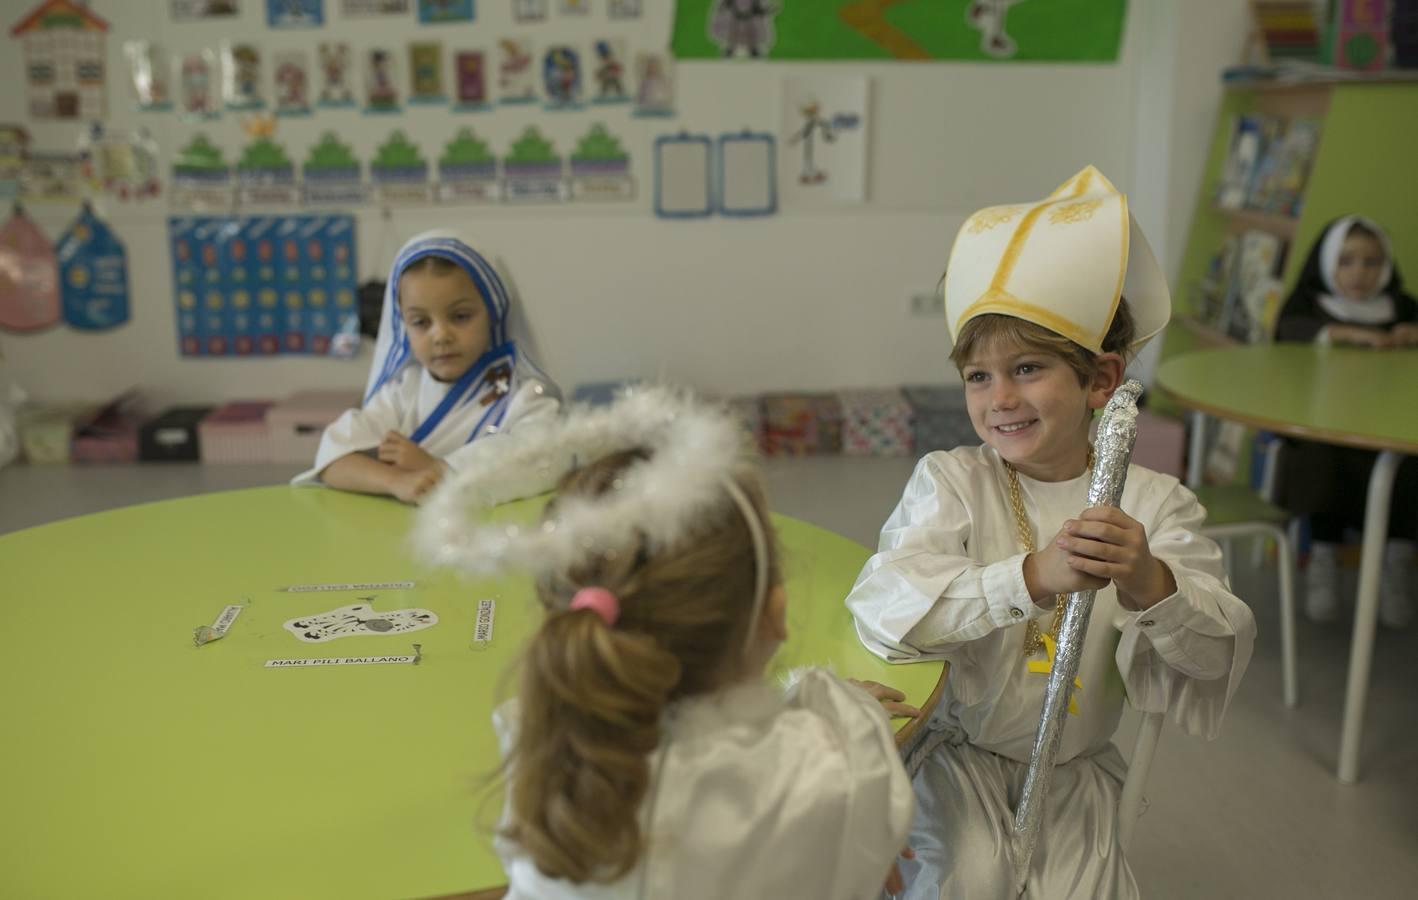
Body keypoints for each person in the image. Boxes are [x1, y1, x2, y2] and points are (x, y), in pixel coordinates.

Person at [846, 166, 1257, 899]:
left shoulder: (1156, 505)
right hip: (957, 762)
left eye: (1027, 368)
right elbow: (882, 608)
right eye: (978, 376)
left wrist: (1151, 584)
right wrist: (1028, 579)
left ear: (1100, 380)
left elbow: (1218, 652)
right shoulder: (953, 481)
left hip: (1073, 776)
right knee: (963, 885)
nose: (999, 398)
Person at [414, 389, 915, 899]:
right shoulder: (834, 765)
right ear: (775, 613)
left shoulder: (542, 750)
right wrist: (841, 708)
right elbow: (861, 810)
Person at [293, 230, 559, 503]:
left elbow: (544, 454)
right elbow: (333, 458)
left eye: (461, 316)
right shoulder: (402, 392)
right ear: (403, 327)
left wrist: (440, 468)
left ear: (493, 314)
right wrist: (397, 481)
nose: (441, 335)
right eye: (421, 322)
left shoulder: (523, 392)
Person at [1273, 214, 1418, 626]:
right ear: (1327, 263)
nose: (1359, 273)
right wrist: (1347, 334)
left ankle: (1398, 561)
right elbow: (1289, 330)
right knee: (1321, 462)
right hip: (1325, 424)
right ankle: (1323, 555)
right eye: (1348, 260)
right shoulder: (1309, 304)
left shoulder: (1402, 307)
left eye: (1371, 262)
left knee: (1408, 466)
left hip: (1389, 425)